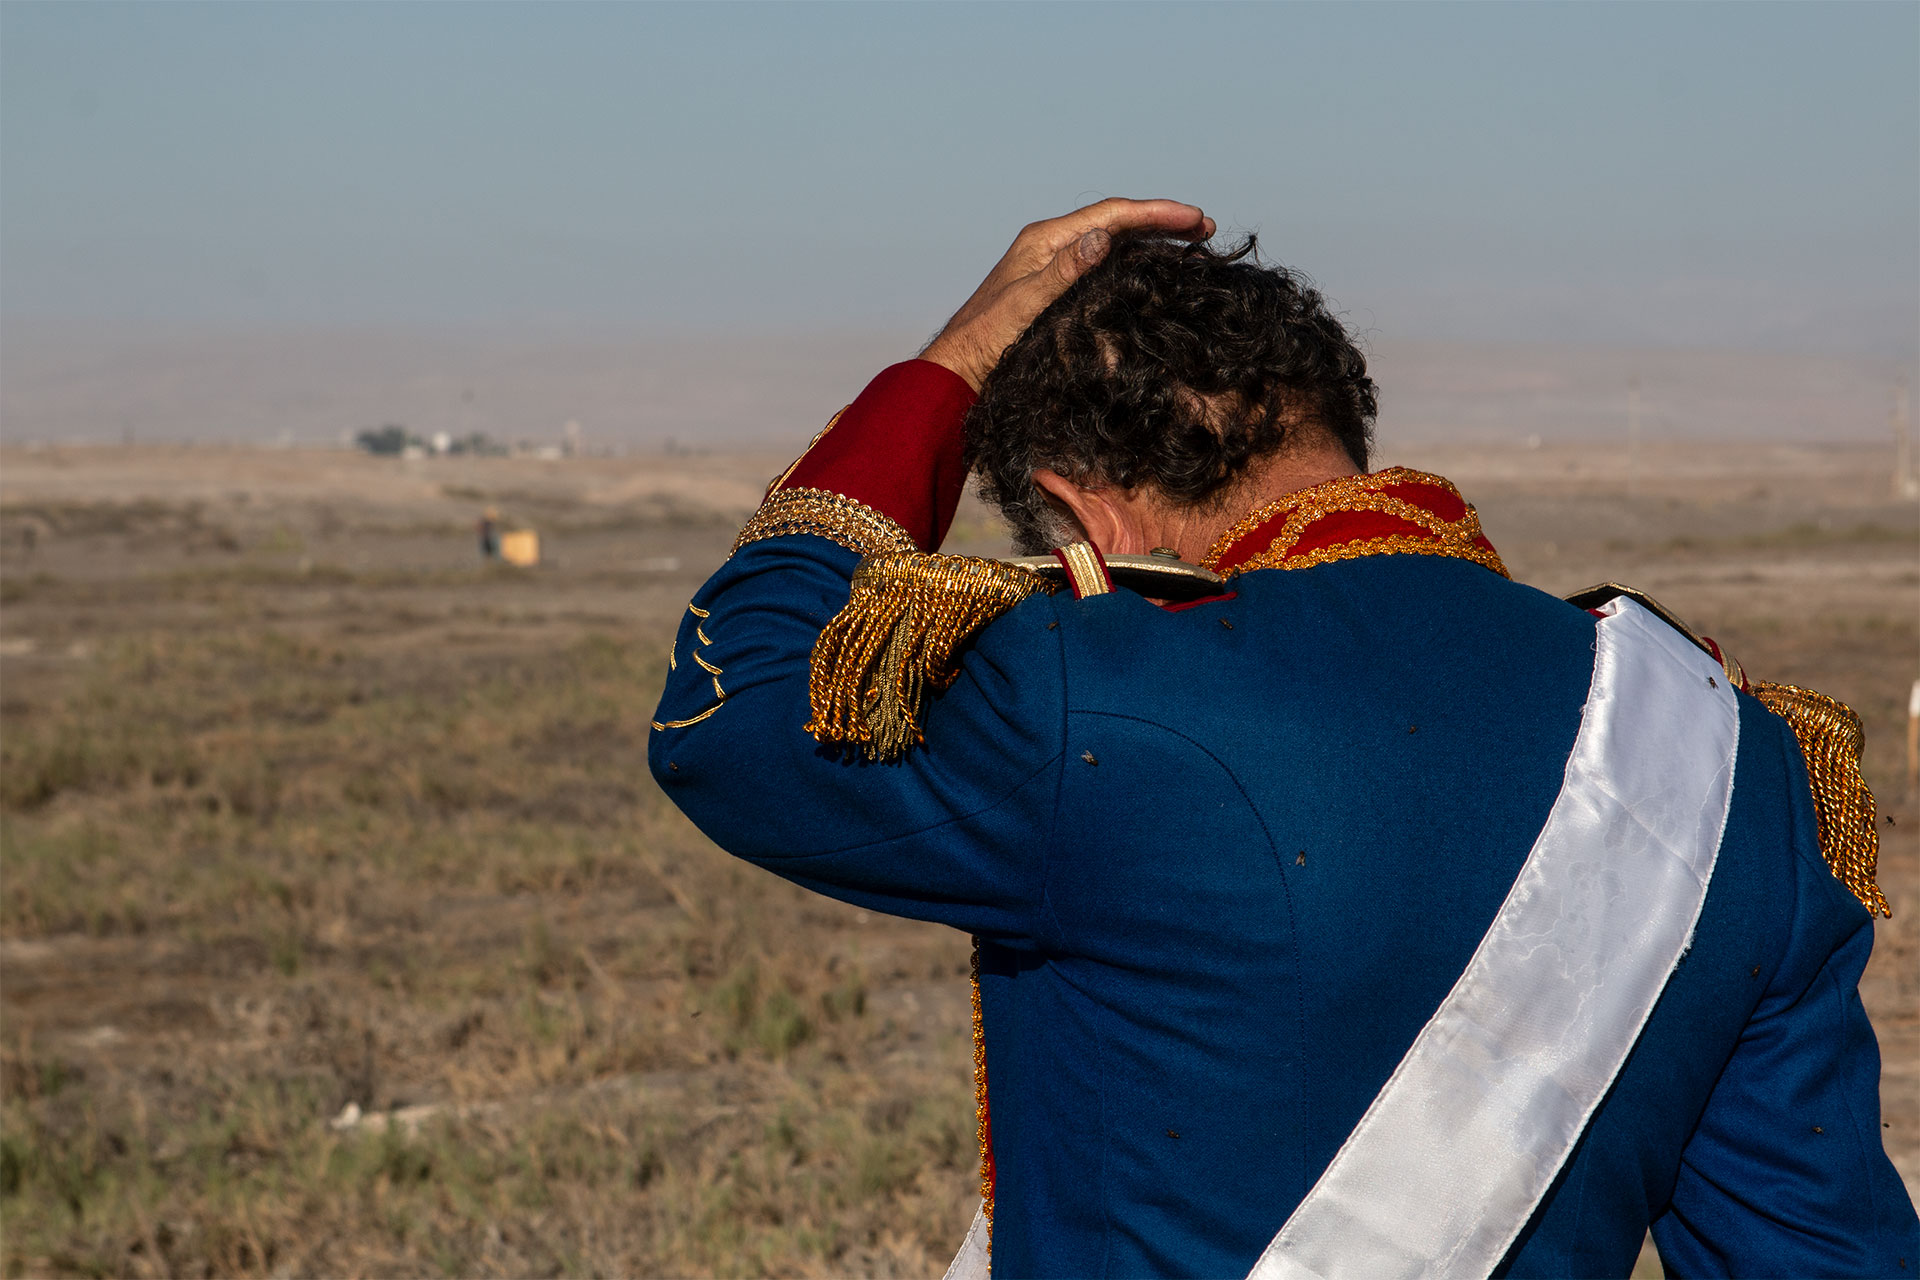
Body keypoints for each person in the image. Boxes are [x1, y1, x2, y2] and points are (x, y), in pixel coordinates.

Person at [649, 199, 1918, 1278]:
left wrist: (956, 356)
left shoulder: (1101, 699)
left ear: (1079, 513)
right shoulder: (1733, 760)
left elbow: (736, 703)